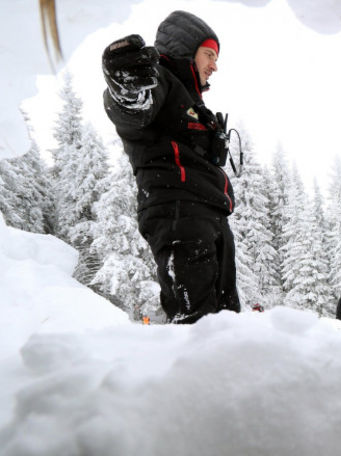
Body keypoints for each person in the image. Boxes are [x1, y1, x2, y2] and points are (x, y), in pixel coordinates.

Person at [102, 11, 239, 324]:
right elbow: (132, 110)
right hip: (180, 216)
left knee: (229, 326)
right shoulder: (159, 79)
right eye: (209, 55)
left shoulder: (192, 101)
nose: (214, 65)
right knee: (198, 327)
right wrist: (127, 87)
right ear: (186, 51)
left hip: (210, 219)